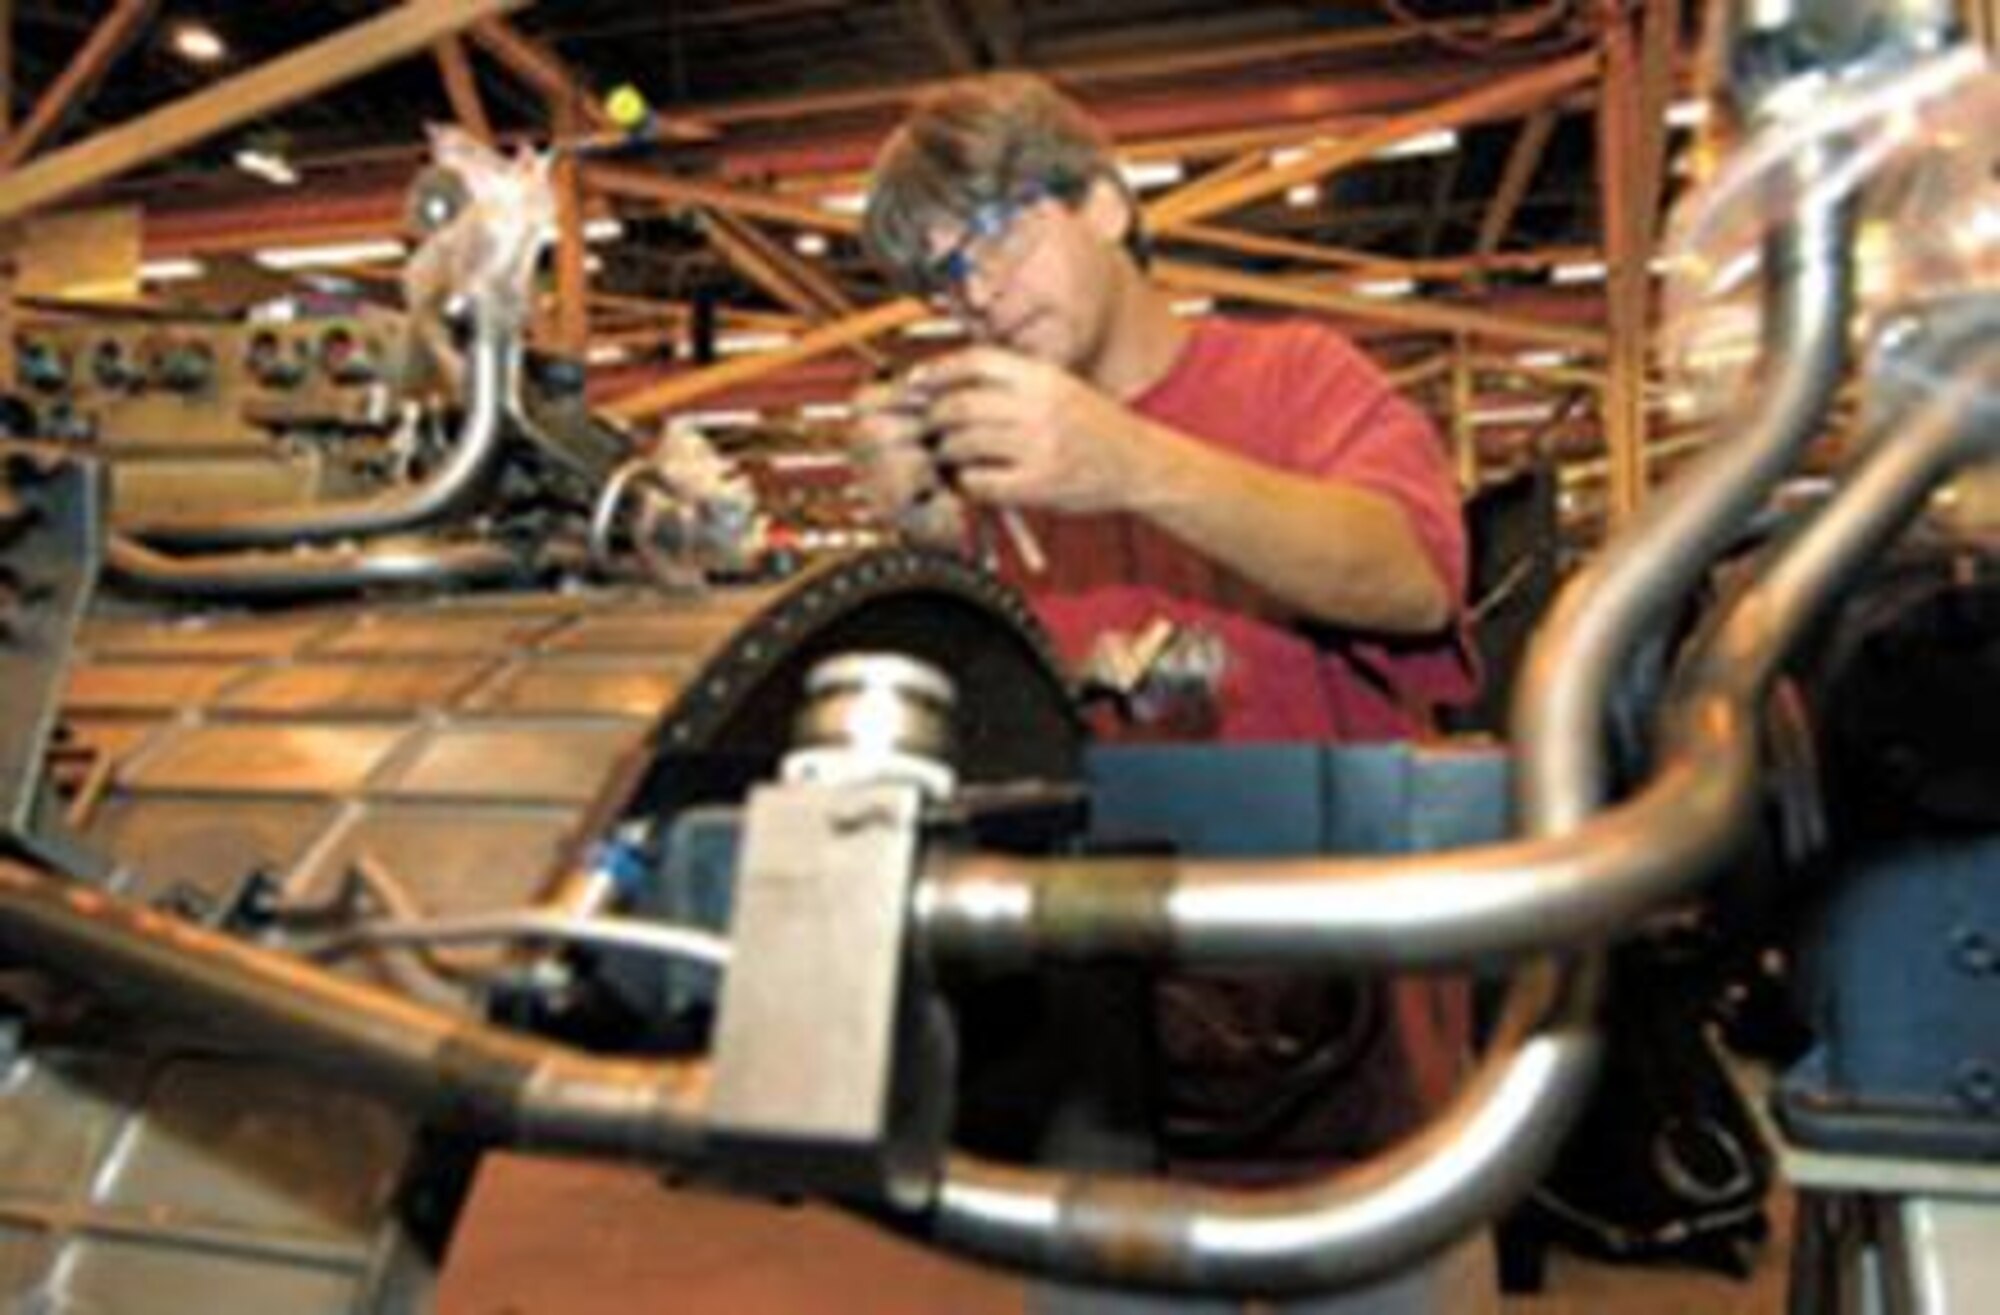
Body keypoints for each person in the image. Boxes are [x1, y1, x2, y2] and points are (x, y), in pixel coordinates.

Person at [851, 73, 1492, 1313]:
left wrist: (1131, 461)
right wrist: (930, 551)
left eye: (993, 238)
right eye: (940, 278)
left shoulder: (1297, 379)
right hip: (1105, 1081)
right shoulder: (995, 474)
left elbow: (1409, 579)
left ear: (1102, 201)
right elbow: (981, 746)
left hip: (1356, 1081)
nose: (974, 296)